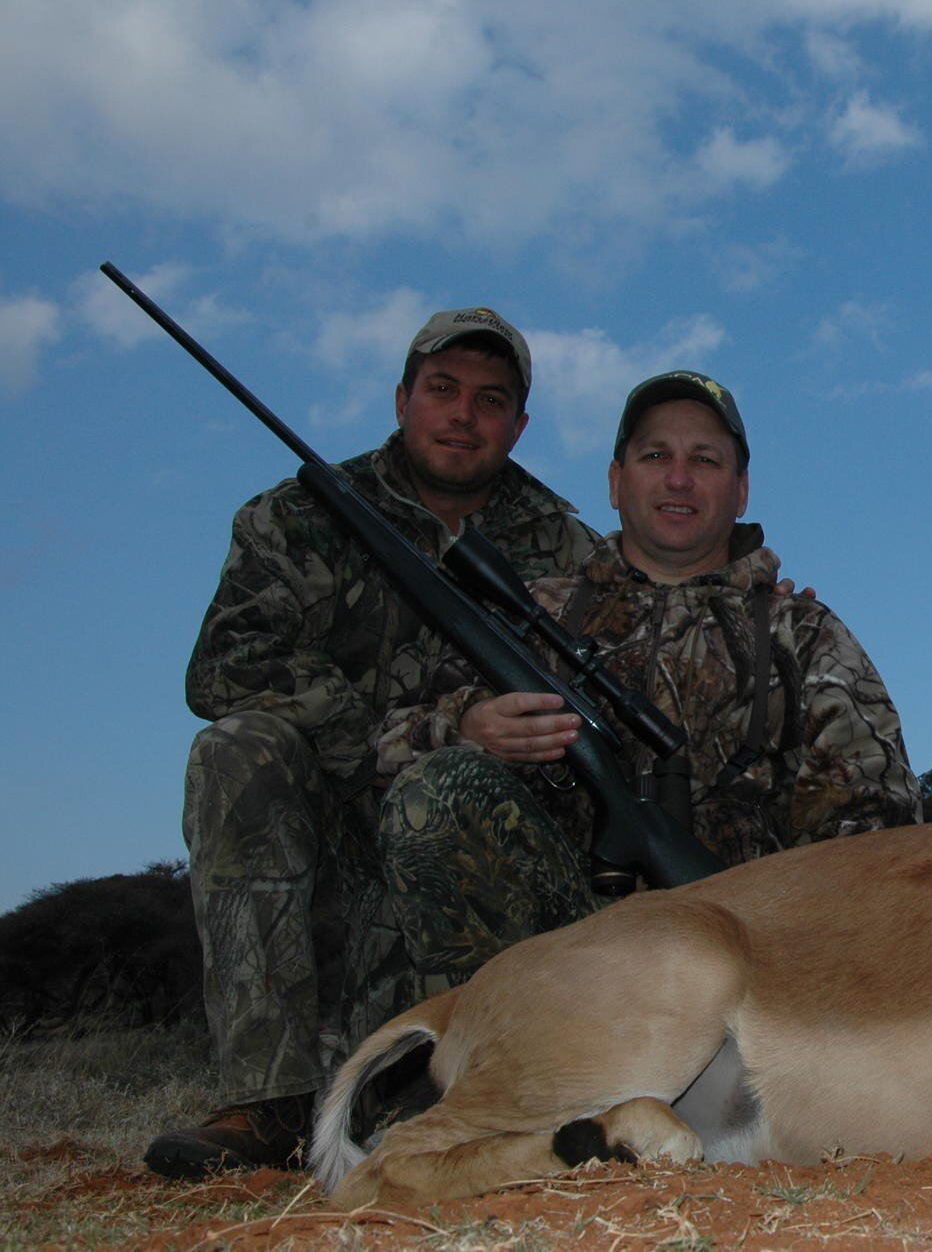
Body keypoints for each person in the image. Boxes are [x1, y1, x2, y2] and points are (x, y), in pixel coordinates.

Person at [146, 308, 600, 1179]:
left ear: (520, 425)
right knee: (235, 752)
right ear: (402, 399)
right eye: (443, 390)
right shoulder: (296, 515)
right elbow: (224, 670)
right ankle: (267, 1099)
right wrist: (411, 733)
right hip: (328, 814)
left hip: (456, 832)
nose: (463, 414)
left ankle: (488, 1080)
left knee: (461, 801)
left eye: (491, 399)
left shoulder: (569, 547)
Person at [370, 370, 923, 981]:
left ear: (740, 492)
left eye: (705, 460)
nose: (678, 478)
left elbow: (879, 820)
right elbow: (392, 741)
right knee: (438, 788)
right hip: (549, 962)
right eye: (655, 454)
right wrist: (468, 725)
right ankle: (485, 1050)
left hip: (740, 964)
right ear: (615, 481)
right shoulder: (529, 615)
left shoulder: (805, 631)